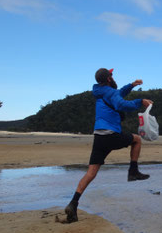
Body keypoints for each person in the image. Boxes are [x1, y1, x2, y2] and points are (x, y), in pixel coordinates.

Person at [64, 68, 153, 222]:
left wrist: (131, 85)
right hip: (110, 134)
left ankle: (73, 203)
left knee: (91, 173)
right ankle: (133, 171)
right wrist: (140, 102)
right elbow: (121, 104)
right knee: (137, 139)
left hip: (98, 136)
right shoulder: (110, 93)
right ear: (109, 79)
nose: (113, 77)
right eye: (112, 75)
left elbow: (118, 94)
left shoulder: (101, 92)